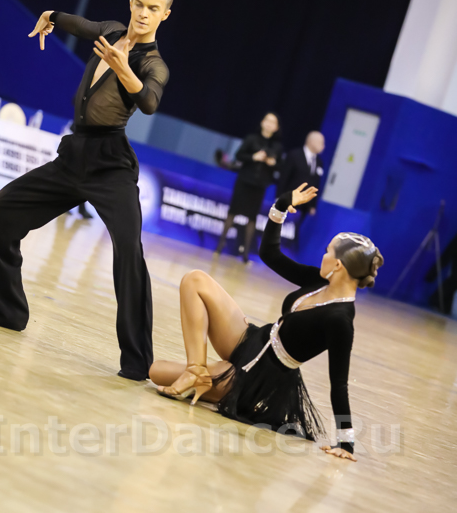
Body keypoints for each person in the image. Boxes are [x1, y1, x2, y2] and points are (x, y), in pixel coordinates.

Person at [0, 0, 173, 381]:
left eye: (153, 8)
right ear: (130, 3)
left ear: (165, 15)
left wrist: (124, 71)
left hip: (111, 165)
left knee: (128, 253)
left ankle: (137, 361)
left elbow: (149, 101)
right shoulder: (111, 31)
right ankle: (8, 310)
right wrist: (51, 16)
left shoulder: (152, 63)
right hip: (74, 155)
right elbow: (81, 25)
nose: (143, 13)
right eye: (139, 4)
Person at [150, 183, 384, 461]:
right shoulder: (320, 281)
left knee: (156, 371)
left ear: (338, 266)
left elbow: (339, 384)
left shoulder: (340, 320)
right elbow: (269, 254)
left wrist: (346, 443)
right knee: (195, 280)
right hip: (254, 341)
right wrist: (282, 205)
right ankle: (196, 370)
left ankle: (208, 379)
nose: (323, 255)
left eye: (327, 252)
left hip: (257, 381)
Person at [215, 113, 282, 263]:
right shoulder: (252, 138)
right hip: (244, 181)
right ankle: (220, 245)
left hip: (259, 186)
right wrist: (253, 157)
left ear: (277, 127)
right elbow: (239, 155)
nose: (269, 124)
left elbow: (281, 167)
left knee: (252, 218)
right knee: (233, 212)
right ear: (262, 122)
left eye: (273, 122)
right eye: (267, 120)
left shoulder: (277, 146)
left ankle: (245, 253)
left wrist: (272, 163)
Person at [277, 131, 325, 217]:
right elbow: (284, 177)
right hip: (289, 200)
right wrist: (279, 197)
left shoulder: (319, 162)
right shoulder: (294, 155)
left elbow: (316, 184)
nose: (323, 146)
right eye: (321, 143)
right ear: (312, 141)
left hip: (305, 205)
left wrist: (312, 205)